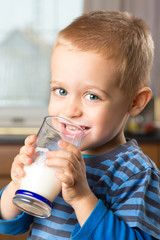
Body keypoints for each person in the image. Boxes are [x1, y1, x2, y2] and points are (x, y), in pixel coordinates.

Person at [0, 10, 160, 240]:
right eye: (61, 91)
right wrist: (18, 184)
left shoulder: (135, 173)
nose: (70, 111)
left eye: (92, 96)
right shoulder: (49, 155)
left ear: (135, 102)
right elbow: (9, 224)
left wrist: (82, 197)